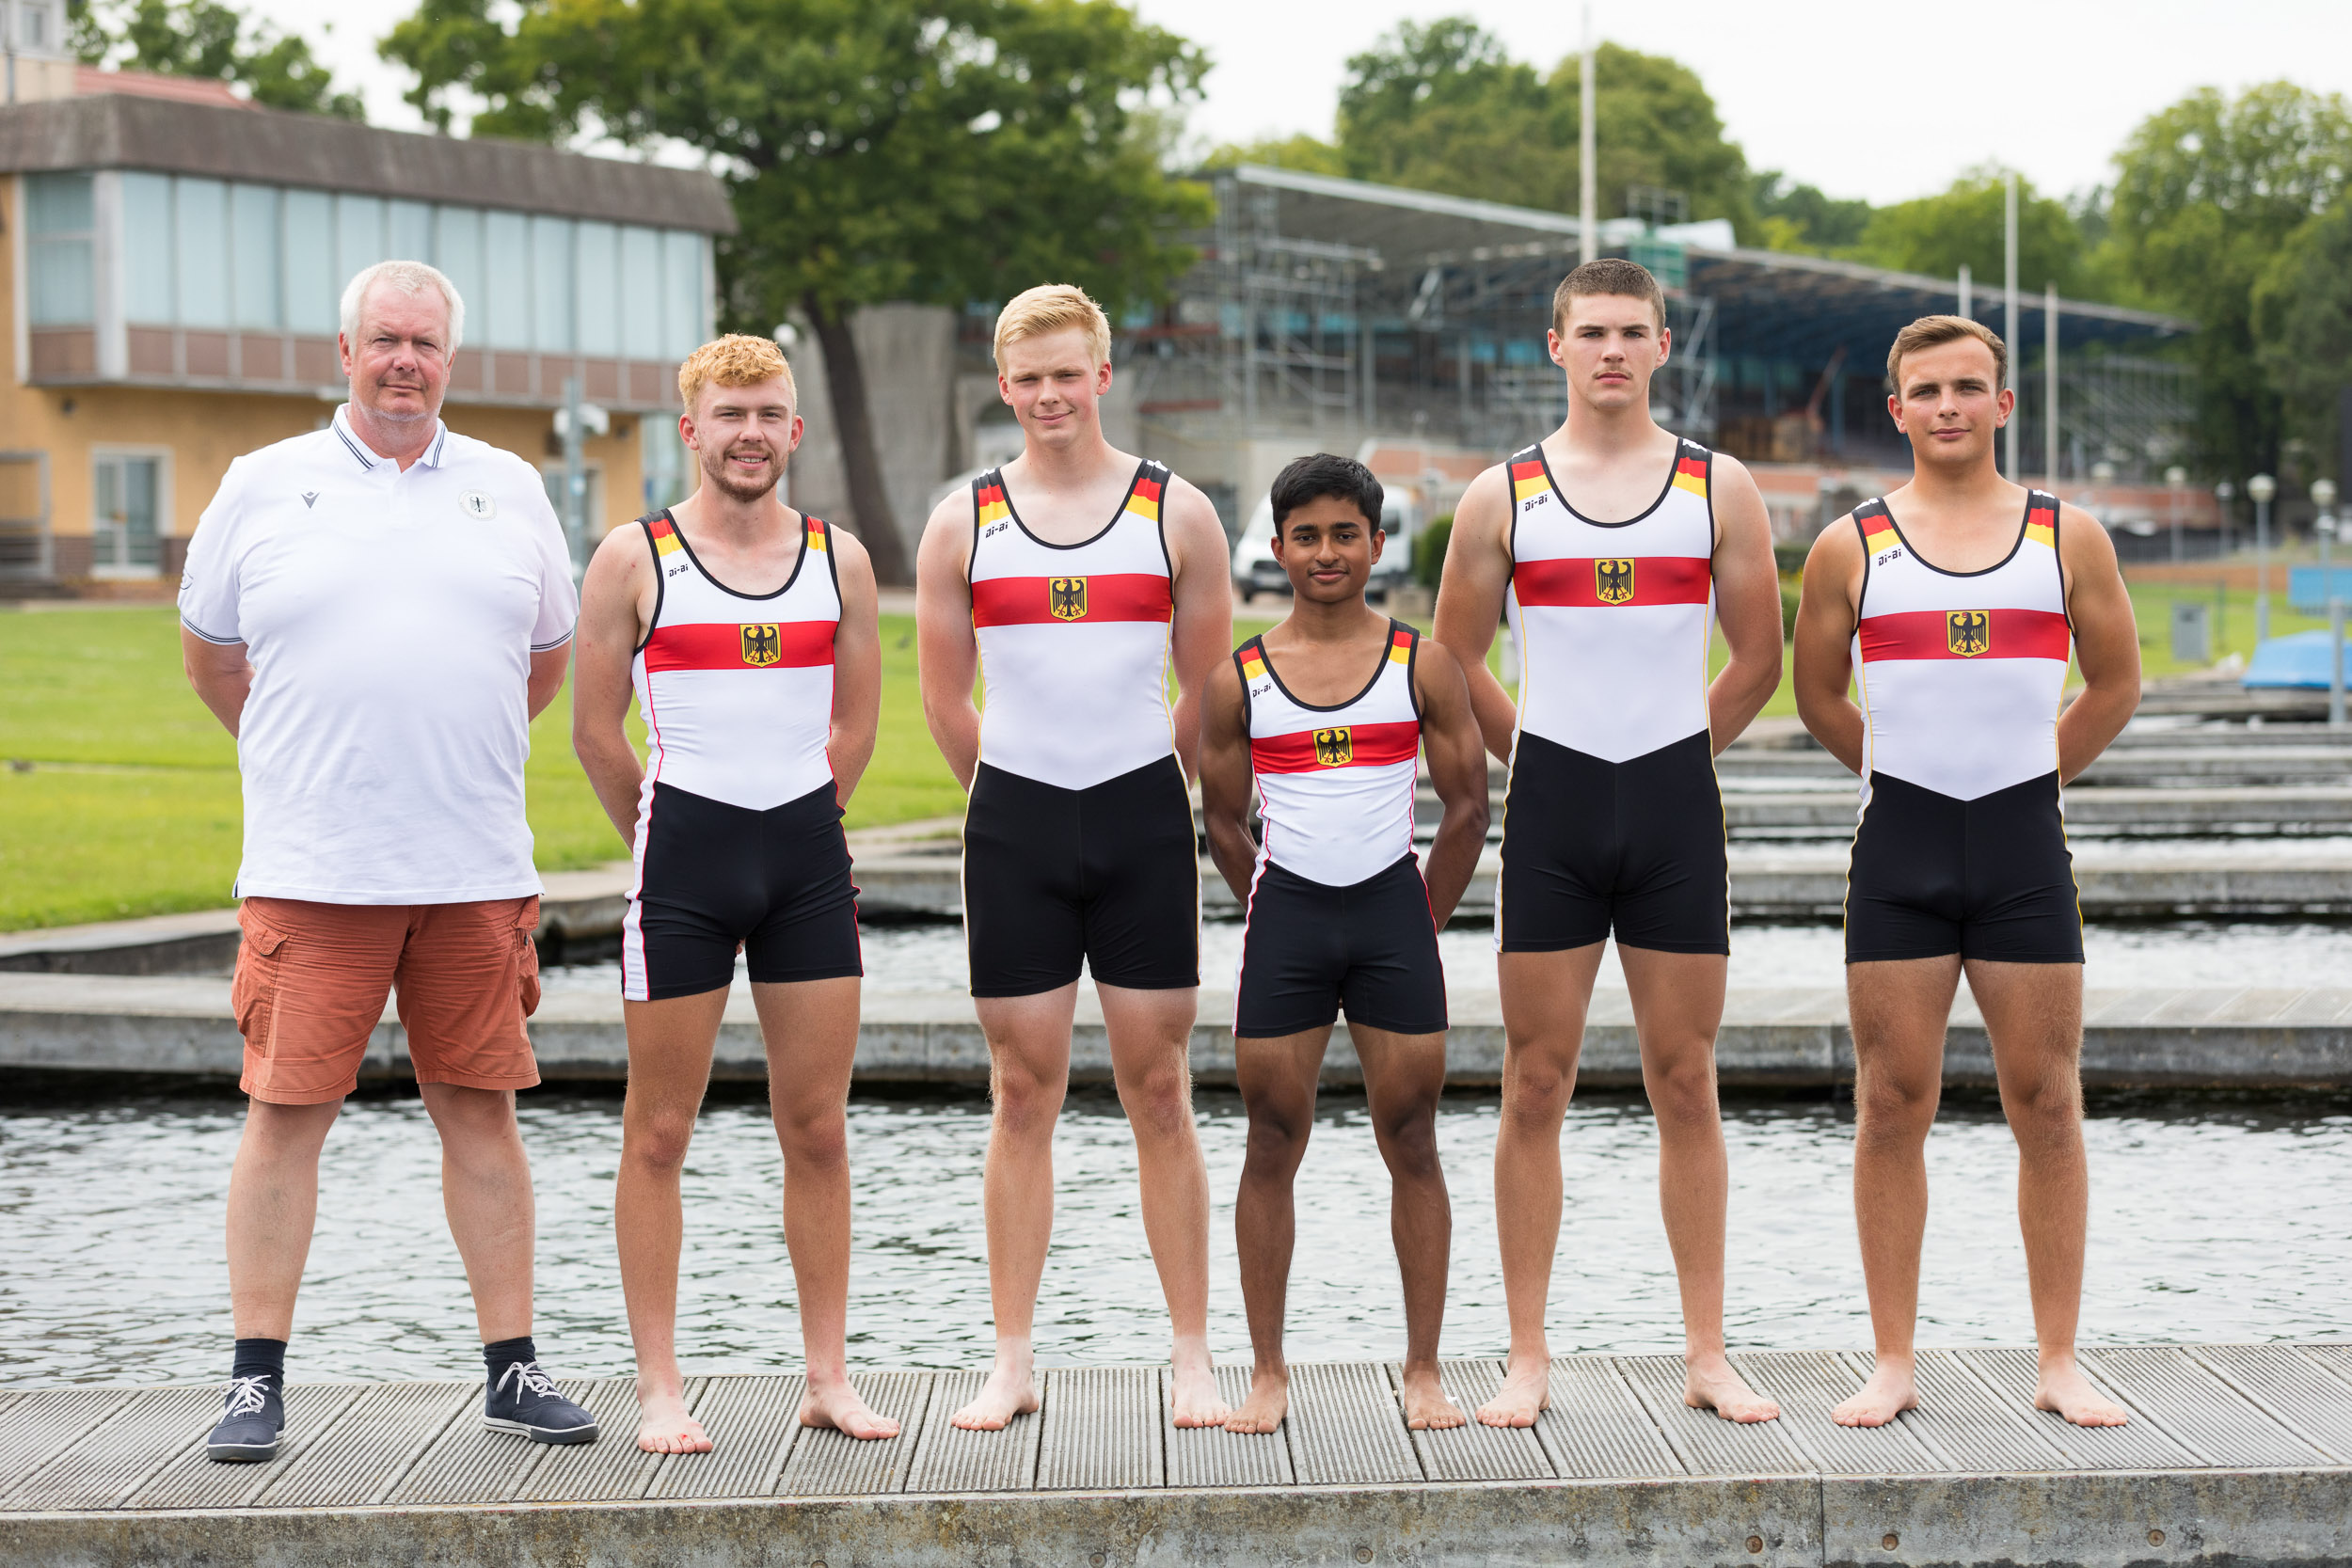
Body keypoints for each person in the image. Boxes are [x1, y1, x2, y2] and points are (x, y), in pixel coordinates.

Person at [179, 261, 596, 1462]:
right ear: (345, 351)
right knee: (283, 1113)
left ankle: (513, 1370)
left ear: (449, 361)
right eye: (384, 341)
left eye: (424, 342)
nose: (404, 360)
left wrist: (441, 754)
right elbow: (214, 662)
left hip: (469, 867)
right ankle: (256, 1380)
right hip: (315, 871)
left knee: (483, 1114)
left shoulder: (509, 487)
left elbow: (542, 661)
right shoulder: (263, 485)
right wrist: (310, 762)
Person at [1434, 258, 1785, 1428]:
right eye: (1591, 332)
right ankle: (1525, 1354)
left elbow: (1756, 657)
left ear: (1664, 345)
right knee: (1534, 1081)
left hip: (1672, 807)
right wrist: (1528, 753)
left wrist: (1686, 749)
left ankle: (1706, 1351)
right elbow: (1454, 657)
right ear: (1555, 345)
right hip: (1556, 808)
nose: (1612, 351)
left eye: (1632, 331)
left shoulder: (1716, 485)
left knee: (1685, 1078)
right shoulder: (1503, 494)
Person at [1791, 316, 2137, 1429]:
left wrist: (2033, 777)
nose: (1947, 405)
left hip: (2023, 847)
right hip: (1900, 847)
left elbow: (2116, 681)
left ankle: (2057, 1357)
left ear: (2003, 403)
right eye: (1925, 390)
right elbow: (1818, 697)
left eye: (1967, 387)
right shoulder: (1851, 544)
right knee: (1891, 1103)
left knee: (2046, 1099)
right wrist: (1900, 779)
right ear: (1895, 410)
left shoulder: (2065, 534)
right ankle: (1892, 1359)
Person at [914, 283, 1232, 1431]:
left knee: (1159, 1084)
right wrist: (1007, 796)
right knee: (1021, 1089)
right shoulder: (965, 518)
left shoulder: (1175, 512)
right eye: (1028, 377)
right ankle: (1011, 1357)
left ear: (1104, 376)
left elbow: (1206, 687)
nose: (1050, 394)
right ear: (1005, 388)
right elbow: (944, 692)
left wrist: (1161, 790)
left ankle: (1191, 1352)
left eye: (1068, 373)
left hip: (1143, 814)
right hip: (1019, 823)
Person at [572, 334, 896, 1453]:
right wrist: (665, 835)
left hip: (806, 864)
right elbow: (594, 731)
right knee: (659, 1129)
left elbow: (855, 722)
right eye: (729, 414)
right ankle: (661, 1385)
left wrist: (807, 816)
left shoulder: (836, 557)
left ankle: (826, 1375)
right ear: (691, 430)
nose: (749, 432)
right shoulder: (633, 557)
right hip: (686, 868)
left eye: (768, 413)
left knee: (816, 1126)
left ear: (794, 431)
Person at [1199, 454, 1490, 1435]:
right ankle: (1268, 1374)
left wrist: (1417, 917)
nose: (1326, 552)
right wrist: (1270, 908)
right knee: (1271, 1138)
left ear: (1375, 542)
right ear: (1278, 547)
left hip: (1388, 922)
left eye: (1345, 533)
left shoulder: (1421, 665)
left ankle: (1422, 1371)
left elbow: (1466, 809)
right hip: (1287, 922)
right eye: (1307, 535)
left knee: (1411, 1137)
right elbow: (1224, 821)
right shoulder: (1238, 677)